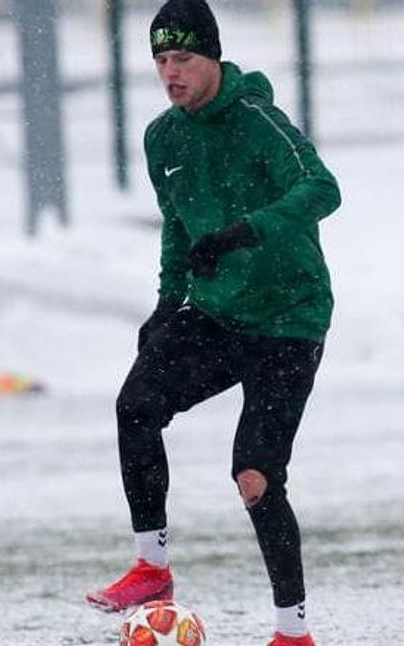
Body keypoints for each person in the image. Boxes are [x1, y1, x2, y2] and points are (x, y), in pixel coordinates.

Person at [85, 1, 340, 644]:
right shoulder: (161, 138)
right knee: (136, 405)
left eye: (184, 59)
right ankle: (152, 568)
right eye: (161, 60)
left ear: (214, 58)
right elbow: (177, 226)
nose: (171, 73)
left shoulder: (257, 120)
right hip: (220, 314)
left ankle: (292, 633)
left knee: (254, 475)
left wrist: (244, 231)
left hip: (290, 317)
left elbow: (322, 189)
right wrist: (167, 306)